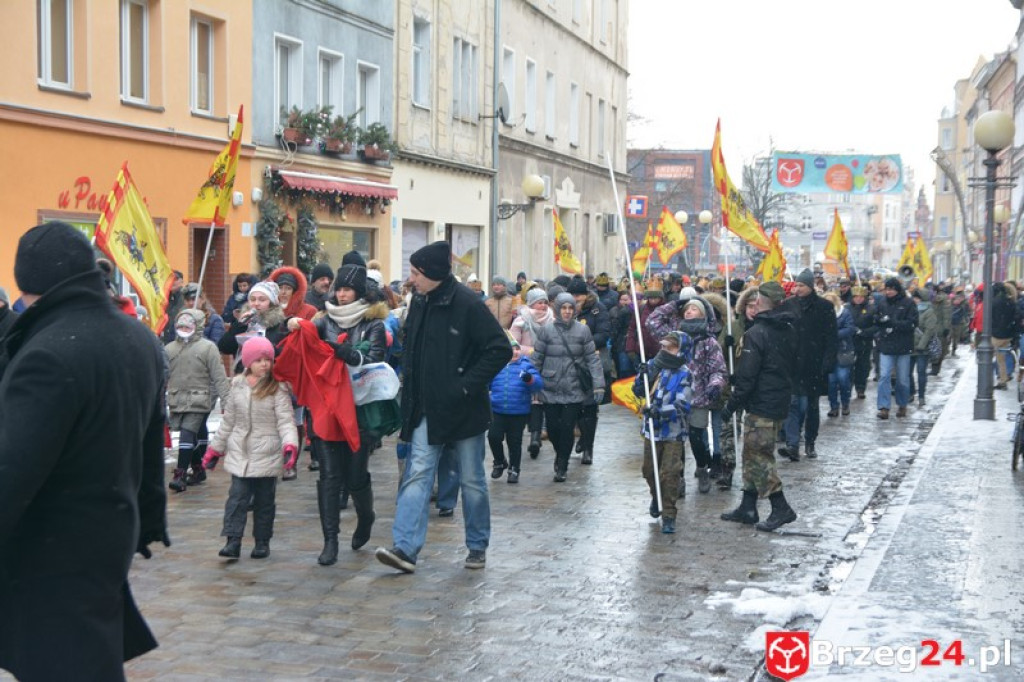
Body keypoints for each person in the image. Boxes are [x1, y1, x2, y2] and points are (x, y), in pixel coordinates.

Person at [0, 222, 168, 680]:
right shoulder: (139, 338)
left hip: (50, 551)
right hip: (108, 532)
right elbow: (151, 441)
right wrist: (150, 516)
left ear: (27, 283)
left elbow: (11, 471)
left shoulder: (48, 353)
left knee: (65, 665)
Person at [375, 241, 511, 574]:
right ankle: (405, 549)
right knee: (417, 474)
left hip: (464, 410)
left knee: (472, 480)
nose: (411, 279)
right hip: (425, 408)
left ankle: (477, 545)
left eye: (416, 273)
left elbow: (499, 350)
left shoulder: (467, 304)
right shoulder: (419, 302)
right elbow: (414, 354)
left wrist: (465, 386)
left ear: (434, 274)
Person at [294, 262, 388, 565]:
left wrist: (350, 354)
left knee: (355, 474)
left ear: (359, 292)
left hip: (359, 409)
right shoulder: (324, 320)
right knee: (330, 475)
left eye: (348, 290)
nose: (342, 294)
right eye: (340, 289)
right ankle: (330, 540)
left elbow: (375, 359)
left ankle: (366, 517)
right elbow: (307, 339)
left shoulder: (373, 322)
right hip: (328, 407)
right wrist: (296, 325)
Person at [203, 337, 298, 560]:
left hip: (267, 451)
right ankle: (232, 541)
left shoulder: (278, 388)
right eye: (259, 360)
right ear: (248, 362)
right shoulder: (237, 385)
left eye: (268, 360)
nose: (264, 364)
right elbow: (229, 421)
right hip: (240, 452)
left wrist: (290, 445)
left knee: (265, 501)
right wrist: (215, 449)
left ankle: (262, 541)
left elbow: (285, 421)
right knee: (236, 499)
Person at [719, 282, 799, 532]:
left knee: (759, 457)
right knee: (751, 455)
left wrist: (731, 405)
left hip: (762, 403)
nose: (752, 305)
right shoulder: (788, 328)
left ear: (762, 303)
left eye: (755, 301)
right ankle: (748, 505)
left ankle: (780, 507)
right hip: (778, 399)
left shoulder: (758, 333)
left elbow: (747, 377)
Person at [531, 292, 605, 482]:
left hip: (574, 387)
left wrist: (598, 385)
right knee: (553, 429)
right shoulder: (546, 330)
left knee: (567, 428)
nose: (567, 312)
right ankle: (560, 453)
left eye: (570, 308)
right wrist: (532, 383)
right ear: (557, 310)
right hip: (550, 386)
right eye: (563, 308)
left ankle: (562, 464)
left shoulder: (582, 331)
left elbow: (592, 360)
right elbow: (537, 359)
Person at [633, 331, 693, 534]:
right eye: (664, 347)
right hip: (652, 431)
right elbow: (639, 391)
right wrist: (641, 376)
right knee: (649, 470)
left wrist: (659, 411)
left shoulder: (685, 373)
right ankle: (656, 496)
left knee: (669, 473)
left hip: (673, 432)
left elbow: (683, 404)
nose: (665, 351)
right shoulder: (653, 366)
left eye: (671, 348)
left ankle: (669, 513)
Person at [166, 309, 231, 492]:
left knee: (187, 433)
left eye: (188, 325)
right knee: (191, 435)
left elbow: (219, 376)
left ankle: (179, 475)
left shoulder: (207, 348)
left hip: (200, 399)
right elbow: (162, 375)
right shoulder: (170, 349)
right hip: (177, 399)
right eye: (181, 325)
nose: (184, 328)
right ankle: (197, 469)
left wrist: (226, 402)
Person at [778, 269, 837, 461]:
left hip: (815, 365)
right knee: (793, 404)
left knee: (811, 406)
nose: (797, 288)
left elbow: (831, 337)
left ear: (811, 286)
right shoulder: (788, 305)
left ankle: (810, 442)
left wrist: (828, 361)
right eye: (796, 285)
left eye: (801, 285)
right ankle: (793, 444)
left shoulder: (825, 307)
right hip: (793, 364)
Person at [678, 298, 727, 495]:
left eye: (694, 309)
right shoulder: (676, 338)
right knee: (675, 441)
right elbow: (652, 323)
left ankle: (701, 467)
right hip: (676, 397)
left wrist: (715, 386)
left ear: (703, 314)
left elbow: (718, 369)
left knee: (696, 438)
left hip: (699, 397)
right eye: (686, 309)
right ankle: (678, 476)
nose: (689, 312)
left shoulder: (709, 342)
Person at [488, 334, 545, 483]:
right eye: (511, 349)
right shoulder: (496, 365)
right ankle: (499, 461)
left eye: (517, 349)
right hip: (497, 409)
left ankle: (514, 469)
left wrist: (529, 379)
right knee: (493, 437)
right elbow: (486, 383)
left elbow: (538, 384)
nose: (514, 352)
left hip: (518, 412)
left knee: (514, 442)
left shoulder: (526, 365)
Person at [568, 278, 612, 461]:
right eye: (573, 295)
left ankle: (588, 447)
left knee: (590, 407)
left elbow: (604, 333)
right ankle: (583, 437)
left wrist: (584, 344)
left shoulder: (598, 309)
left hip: (592, 361)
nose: (576, 299)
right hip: (572, 362)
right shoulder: (566, 309)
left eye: (579, 295)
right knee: (576, 406)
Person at [509, 287, 554, 459]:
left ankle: (537, 435)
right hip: (526, 365)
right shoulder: (521, 320)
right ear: (531, 303)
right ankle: (530, 435)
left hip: (549, 364)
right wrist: (532, 351)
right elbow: (514, 344)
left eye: (544, 302)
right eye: (539, 302)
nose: (542, 306)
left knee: (541, 401)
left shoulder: (552, 319)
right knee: (530, 401)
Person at [873, 277, 918, 419]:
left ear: (897, 289)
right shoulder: (882, 302)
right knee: (884, 376)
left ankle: (902, 404)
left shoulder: (908, 303)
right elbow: (875, 318)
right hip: (886, 345)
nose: (889, 292)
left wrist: (893, 323)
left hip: (903, 346)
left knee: (903, 379)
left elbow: (912, 323)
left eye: (891, 289)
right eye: (887, 289)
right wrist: (880, 323)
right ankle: (884, 407)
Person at [823, 292, 855, 417]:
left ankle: (845, 402)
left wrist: (834, 334)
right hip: (829, 352)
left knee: (843, 379)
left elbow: (850, 328)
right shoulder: (822, 315)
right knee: (831, 381)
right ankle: (834, 406)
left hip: (843, 350)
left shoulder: (844, 313)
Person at [909, 288, 938, 406]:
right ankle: (911, 393)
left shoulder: (929, 312)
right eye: (914, 298)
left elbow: (929, 331)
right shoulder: (910, 309)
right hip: (910, 346)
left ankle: (921, 396)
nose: (914, 300)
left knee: (921, 372)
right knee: (907, 372)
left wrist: (921, 346)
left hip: (922, 349)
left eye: (917, 298)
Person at [624, 287, 664, 374]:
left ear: (660, 298)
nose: (653, 300)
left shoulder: (666, 310)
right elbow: (632, 329)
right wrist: (630, 349)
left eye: (655, 298)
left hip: (659, 353)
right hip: (641, 353)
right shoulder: (641, 309)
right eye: (650, 298)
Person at [846, 285, 876, 400]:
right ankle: (848, 387)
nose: (858, 299)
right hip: (850, 341)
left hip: (865, 341)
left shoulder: (871, 309)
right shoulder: (847, 308)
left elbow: (876, 326)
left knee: (863, 366)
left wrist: (864, 332)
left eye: (861, 297)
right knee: (848, 365)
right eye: (856, 297)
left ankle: (860, 388)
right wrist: (851, 330)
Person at [990, 281, 1019, 390]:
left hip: (996, 335)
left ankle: (990, 381)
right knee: (1001, 360)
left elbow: (991, 318)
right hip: (1008, 335)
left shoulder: (995, 302)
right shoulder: (1011, 301)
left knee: (989, 358)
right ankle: (1003, 380)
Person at [159, 270, 186, 343]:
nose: (172, 281)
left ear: (182, 282)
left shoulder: (186, 297)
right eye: (170, 279)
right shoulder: (162, 297)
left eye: (175, 279)